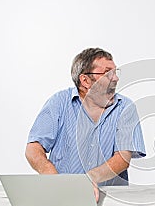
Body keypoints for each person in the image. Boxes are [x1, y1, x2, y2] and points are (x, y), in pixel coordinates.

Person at [25, 48, 146, 197]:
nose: (115, 78)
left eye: (115, 72)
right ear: (85, 80)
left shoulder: (125, 107)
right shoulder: (58, 102)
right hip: (62, 195)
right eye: (108, 72)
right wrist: (51, 176)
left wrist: (89, 180)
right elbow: (34, 148)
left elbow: (122, 158)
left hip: (111, 198)